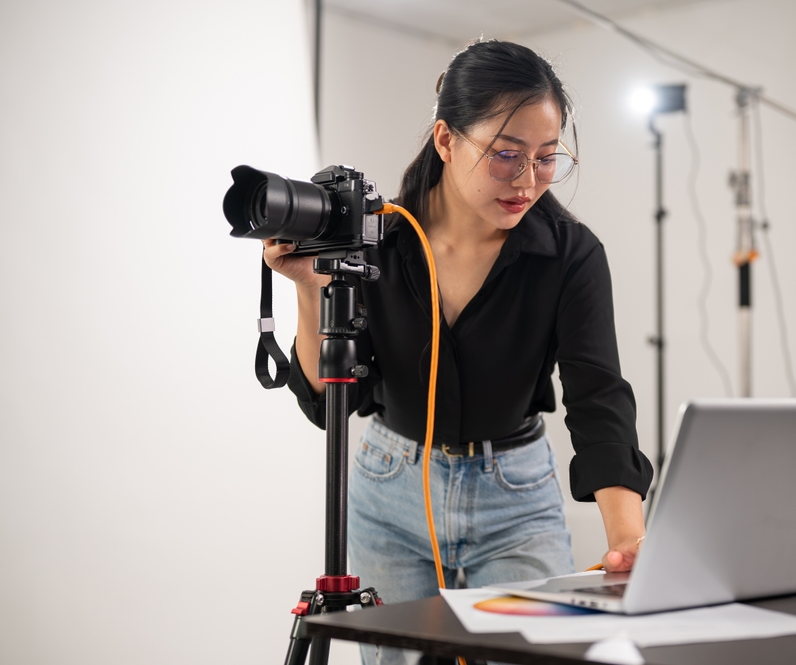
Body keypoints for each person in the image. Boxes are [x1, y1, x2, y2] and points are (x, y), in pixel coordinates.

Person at [265, 39, 653, 664]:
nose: (527, 180)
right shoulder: (380, 241)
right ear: (446, 141)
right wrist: (311, 295)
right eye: (506, 156)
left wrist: (628, 540)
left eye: (547, 158)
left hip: (516, 499)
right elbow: (327, 400)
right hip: (388, 495)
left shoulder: (571, 254)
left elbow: (598, 397)